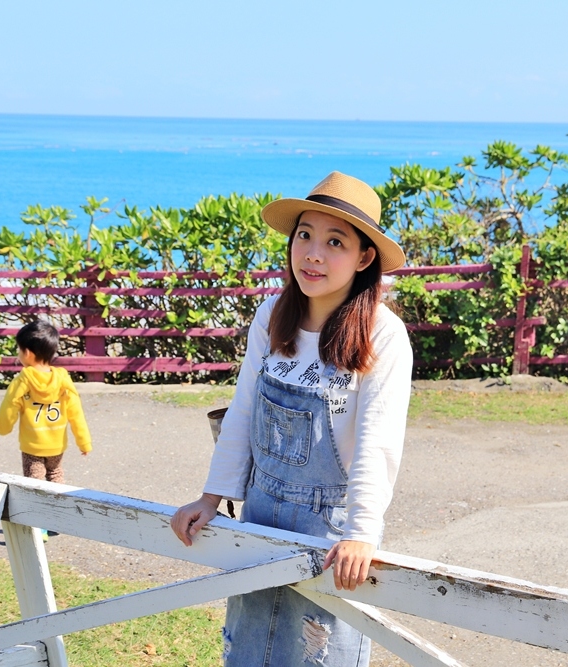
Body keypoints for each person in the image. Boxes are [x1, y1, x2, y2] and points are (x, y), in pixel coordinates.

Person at [171, 171, 413, 666]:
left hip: (330, 531)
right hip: (260, 513)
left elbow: (377, 441)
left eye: (335, 242)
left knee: (319, 655)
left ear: (365, 257)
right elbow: (242, 411)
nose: (313, 254)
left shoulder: (381, 335)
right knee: (249, 651)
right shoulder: (272, 315)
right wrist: (211, 496)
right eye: (304, 235)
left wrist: (361, 535)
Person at [0, 320, 92, 490]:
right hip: (57, 444)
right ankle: (60, 506)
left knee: (34, 482)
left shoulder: (22, 380)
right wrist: (84, 443)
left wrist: (3, 427)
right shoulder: (63, 380)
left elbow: (9, 405)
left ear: (28, 353)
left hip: (32, 446)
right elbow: (76, 414)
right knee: (56, 474)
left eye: (19, 349)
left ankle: (36, 512)